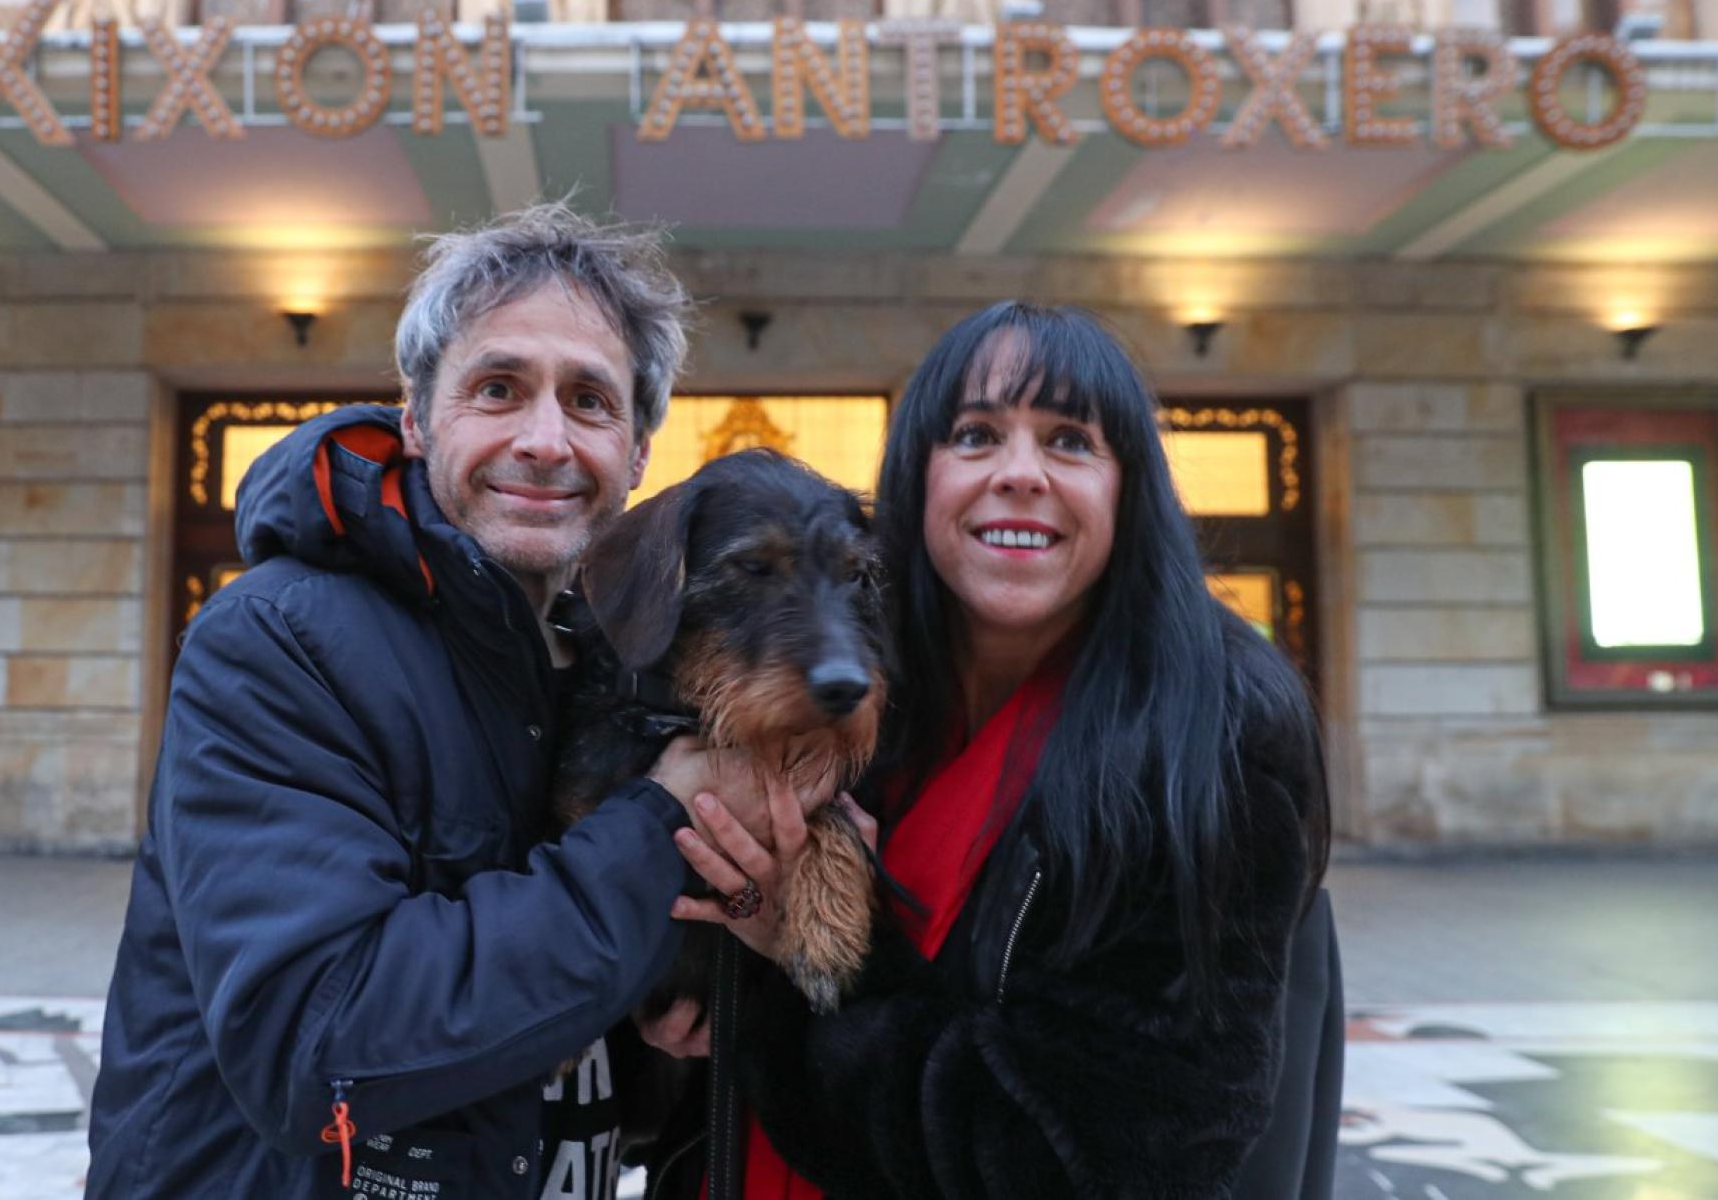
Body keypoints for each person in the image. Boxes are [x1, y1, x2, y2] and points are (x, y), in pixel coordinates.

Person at [85, 203, 781, 1200]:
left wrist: (670, 1016)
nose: (544, 439)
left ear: (635, 452)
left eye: (590, 400)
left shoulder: (612, 666)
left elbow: (543, 1020)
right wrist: (660, 818)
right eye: (499, 388)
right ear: (417, 418)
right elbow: (319, 1043)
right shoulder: (282, 642)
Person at [664, 302, 1336, 1198]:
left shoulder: (1216, 732)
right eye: (976, 435)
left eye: (1069, 442)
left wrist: (819, 967)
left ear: (1128, 489)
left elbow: (1098, 1156)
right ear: (917, 482)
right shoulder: (854, 685)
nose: (1020, 473)